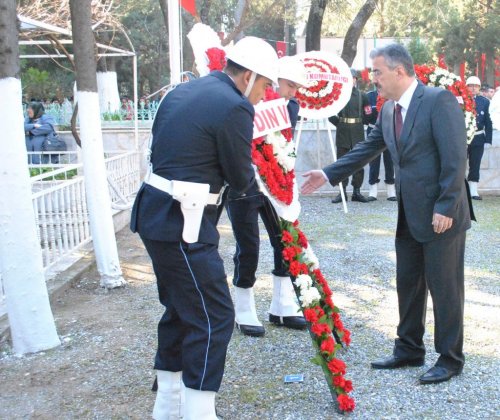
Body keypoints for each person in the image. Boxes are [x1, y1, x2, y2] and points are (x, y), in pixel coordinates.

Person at [301, 43, 473, 385]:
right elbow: (368, 147)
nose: (372, 77)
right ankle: (409, 348)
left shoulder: (438, 101)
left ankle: (450, 359)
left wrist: (446, 206)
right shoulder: (388, 110)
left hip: (442, 215)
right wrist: (329, 173)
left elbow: (456, 160)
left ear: (399, 70)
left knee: (445, 288)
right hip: (409, 214)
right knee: (408, 284)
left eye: (377, 71)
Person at [130, 36, 279, 419]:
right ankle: (198, 411)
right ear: (247, 75)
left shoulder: (186, 89)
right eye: (264, 85)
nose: (263, 95)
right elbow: (238, 175)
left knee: (181, 308)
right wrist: (266, 183)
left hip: (156, 214)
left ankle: (167, 403)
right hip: (184, 221)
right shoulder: (233, 106)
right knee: (214, 315)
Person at [226, 55, 308, 337]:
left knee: (283, 239)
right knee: (248, 245)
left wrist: (288, 176)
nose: (292, 93)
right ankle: (244, 306)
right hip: (244, 182)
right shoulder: (243, 101)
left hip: (276, 183)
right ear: (273, 80)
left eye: (296, 88)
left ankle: (282, 305)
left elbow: (287, 145)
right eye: (289, 85)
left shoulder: (291, 107)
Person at [329, 68, 372, 203]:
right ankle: (342, 192)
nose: (351, 80)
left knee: (359, 163)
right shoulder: (338, 96)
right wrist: (339, 124)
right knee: (342, 163)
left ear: (355, 80)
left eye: (352, 78)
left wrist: (361, 123)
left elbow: (368, 113)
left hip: (357, 132)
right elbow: (330, 113)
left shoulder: (362, 96)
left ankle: (356, 192)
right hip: (343, 133)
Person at [365, 88, 396, 201]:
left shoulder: (392, 94)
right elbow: (365, 114)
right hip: (373, 130)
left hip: (390, 130)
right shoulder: (369, 96)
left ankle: (391, 191)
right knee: (373, 161)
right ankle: (373, 191)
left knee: (390, 161)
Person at [465, 76, 493, 200]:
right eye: (470, 85)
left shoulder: (485, 101)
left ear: (479, 88)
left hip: (478, 137)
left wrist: (488, 139)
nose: (473, 88)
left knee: (475, 164)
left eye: (476, 86)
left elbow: (488, 121)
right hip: (462, 137)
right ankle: (460, 190)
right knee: (459, 164)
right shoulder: (460, 99)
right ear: (466, 87)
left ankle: (473, 190)